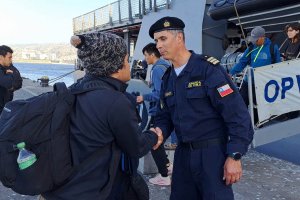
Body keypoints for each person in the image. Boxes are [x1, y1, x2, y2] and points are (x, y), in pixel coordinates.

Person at [41, 32, 163, 200]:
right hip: (99, 190)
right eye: (126, 60)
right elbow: (137, 147)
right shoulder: (115, 102)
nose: (129, 65)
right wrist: (154, 136)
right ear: (114, 64)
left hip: (66, 187)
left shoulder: (74, 90)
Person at [149, 16, 254, 199]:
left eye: (163, 39)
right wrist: (158, 133)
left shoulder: (207, 69)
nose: (158, 45)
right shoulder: (168, 77)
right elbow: (164, 116)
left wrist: (235, 155)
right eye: (156, 40)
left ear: (179, 38)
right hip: (182, 156)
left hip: (212, 156)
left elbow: (237, 115)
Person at [136, 43, 172, 186]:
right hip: (168, 109)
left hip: (159, 110)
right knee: (159, 140)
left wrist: (143, 97)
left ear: (152, 55)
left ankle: (164, 175)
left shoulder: (157, 69)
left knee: (154, 141)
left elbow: (158, 94)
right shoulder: (166, 65)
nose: (145, 58)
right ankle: (167, 167)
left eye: (145, 55)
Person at [229, 26, 281, 123]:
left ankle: (258, 124)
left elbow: (277, 65)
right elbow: (242, 62)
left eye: (256, 39)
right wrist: (231, 73)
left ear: (262, 37)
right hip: (248, 82)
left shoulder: (272, 48)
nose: (254, 42)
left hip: (262, 84)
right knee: (241, 103)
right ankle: (241, 123)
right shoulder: (251, 48)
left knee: (258, 106)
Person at [0, 45, 23, 113]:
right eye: (9, 58)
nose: (11, 60)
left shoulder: (11, 67)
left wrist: (12, 88)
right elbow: (7, 83)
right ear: (1, 57)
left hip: (6, 105)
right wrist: (10, 75)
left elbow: (19, 82)